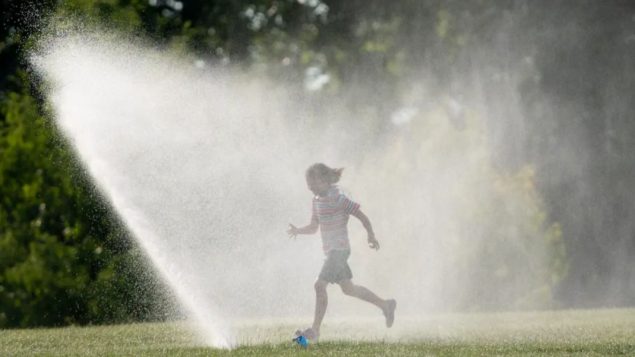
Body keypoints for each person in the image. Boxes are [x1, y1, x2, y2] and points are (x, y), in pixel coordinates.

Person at [287, 163, 396, 342]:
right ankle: (386, 305)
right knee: (349, 289)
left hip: (340, 250)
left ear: (324, 180)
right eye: (308, 184)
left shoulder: (338, 199)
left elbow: (362, 216)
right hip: (331, 251)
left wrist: (371, 235)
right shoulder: (316, 201)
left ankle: (315, 331)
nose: (310, 187)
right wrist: (298, 230)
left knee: (319, 285)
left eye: (313, 183)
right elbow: (314, 227)